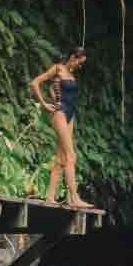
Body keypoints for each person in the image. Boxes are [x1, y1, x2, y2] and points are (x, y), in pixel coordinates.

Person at [28, 47, 95, 210]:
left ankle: (50, 197)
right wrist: (44, 104)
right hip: (60, 113)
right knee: (71, 156)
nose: (80, 64)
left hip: (70, 114)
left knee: (61, 158)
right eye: (80, 61)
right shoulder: (58, 68)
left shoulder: (71, 75)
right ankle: (74, 198)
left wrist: (53, 93)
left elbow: (55, 89)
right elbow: (35, 82)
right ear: (73, 57)